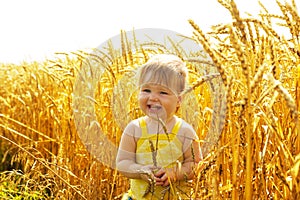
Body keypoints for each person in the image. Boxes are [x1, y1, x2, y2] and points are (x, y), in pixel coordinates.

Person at [116, 54, 202, 199]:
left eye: (163, 92)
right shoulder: (134, 129)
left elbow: (195, 164)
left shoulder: (184, 131)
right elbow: (123, 162)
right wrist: (140, 170)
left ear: (179, 99)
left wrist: (175, 173)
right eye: (146, 90)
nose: (153, 97)